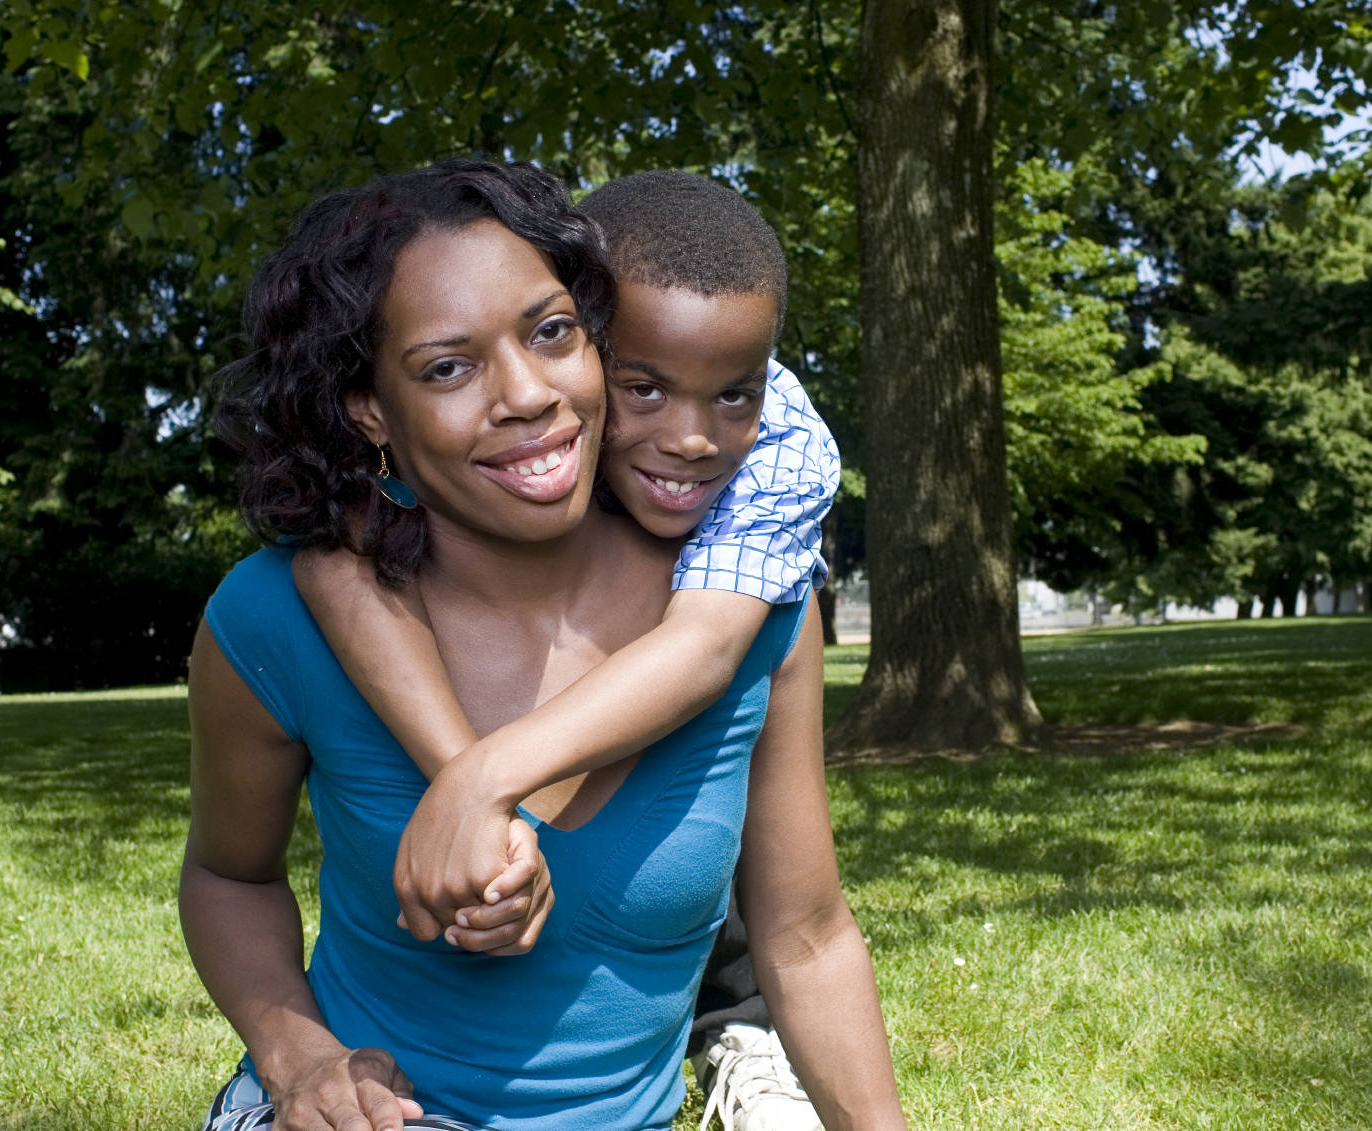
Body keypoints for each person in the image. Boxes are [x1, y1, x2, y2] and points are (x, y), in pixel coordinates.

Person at [182, 158, 907, 1131]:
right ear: (369, 409)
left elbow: (807, 939)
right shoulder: (274, 616)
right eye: (447, 366)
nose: (527, 395)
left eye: (551, 333)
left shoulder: (761, 612)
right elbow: (230, 876)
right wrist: (299, 1057)